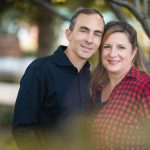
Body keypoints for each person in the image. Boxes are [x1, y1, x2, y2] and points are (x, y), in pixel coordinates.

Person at [12, 8, 105, 150]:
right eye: (83, 30)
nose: (89, 39)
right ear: (69, 34)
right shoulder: (40, 70)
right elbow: (23, 130)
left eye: (97, 34)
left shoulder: (92, 79)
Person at [90, 21, 150, 149]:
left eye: (121, 47)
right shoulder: (96, 88)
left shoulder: (145, 87)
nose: (112, 54)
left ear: (133, 52)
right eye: (107, 47)